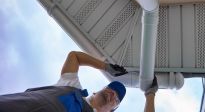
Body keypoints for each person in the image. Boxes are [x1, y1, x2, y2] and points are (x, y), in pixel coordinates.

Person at [0, 51, 128, 112]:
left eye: (116, 99)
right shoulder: (71, 85)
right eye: (110, 89)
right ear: (95, 92)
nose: (112, 94)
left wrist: (149, 94)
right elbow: (75, 57)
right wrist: (106, 67)